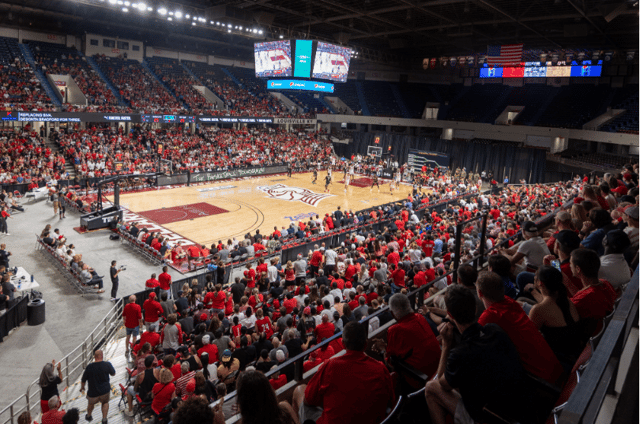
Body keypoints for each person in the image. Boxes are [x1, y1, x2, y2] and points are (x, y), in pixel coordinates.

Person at [425, 285, 527, 424]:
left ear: (450, 315)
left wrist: (446, 344)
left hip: (490, 417)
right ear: (475, 309)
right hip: (519, 405)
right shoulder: (494, 329)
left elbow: (443, 384)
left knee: (431, 388)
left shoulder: (459, 354)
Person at [292, 321, 395, 424]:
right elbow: (391, 402)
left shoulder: (330, 366)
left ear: (343, 344)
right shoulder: (381, 368)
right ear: (365, 345)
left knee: (299, 390)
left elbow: (308, 400)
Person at [477, 272, 563, 385]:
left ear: (479, 293)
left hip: (543, 383)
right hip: (558, 370)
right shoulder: (510, 302)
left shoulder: (489, 316)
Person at [526, 266, 585, 371]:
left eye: (535, 278)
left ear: (540, 283)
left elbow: (528, 338)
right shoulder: (566, 300)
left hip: (559, 359)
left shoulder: (538, 309)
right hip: (575, 351)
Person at [372, 293, 441, 380]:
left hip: (420, 379)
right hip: (440, 369)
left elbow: (390, 363)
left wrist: (383, 350)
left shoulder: (394, 330)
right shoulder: (420, 317)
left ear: (393, 314)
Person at [570, 248, 617, 322]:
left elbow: (566, 307)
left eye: (570, 263)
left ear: (578, 269)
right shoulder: (605, 283)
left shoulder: (585, 297)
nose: (569, 266)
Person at [80, 350, 116, 424]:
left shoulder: (89, 367)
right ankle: (104, 419)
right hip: (105, 391)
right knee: (105, 403)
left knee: (90, 404)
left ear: (94, 357)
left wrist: (82, 387)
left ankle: (89, 416)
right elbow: (113, 373)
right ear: (102, 356)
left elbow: (83, 379)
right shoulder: (107, 364)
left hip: (93, 392)